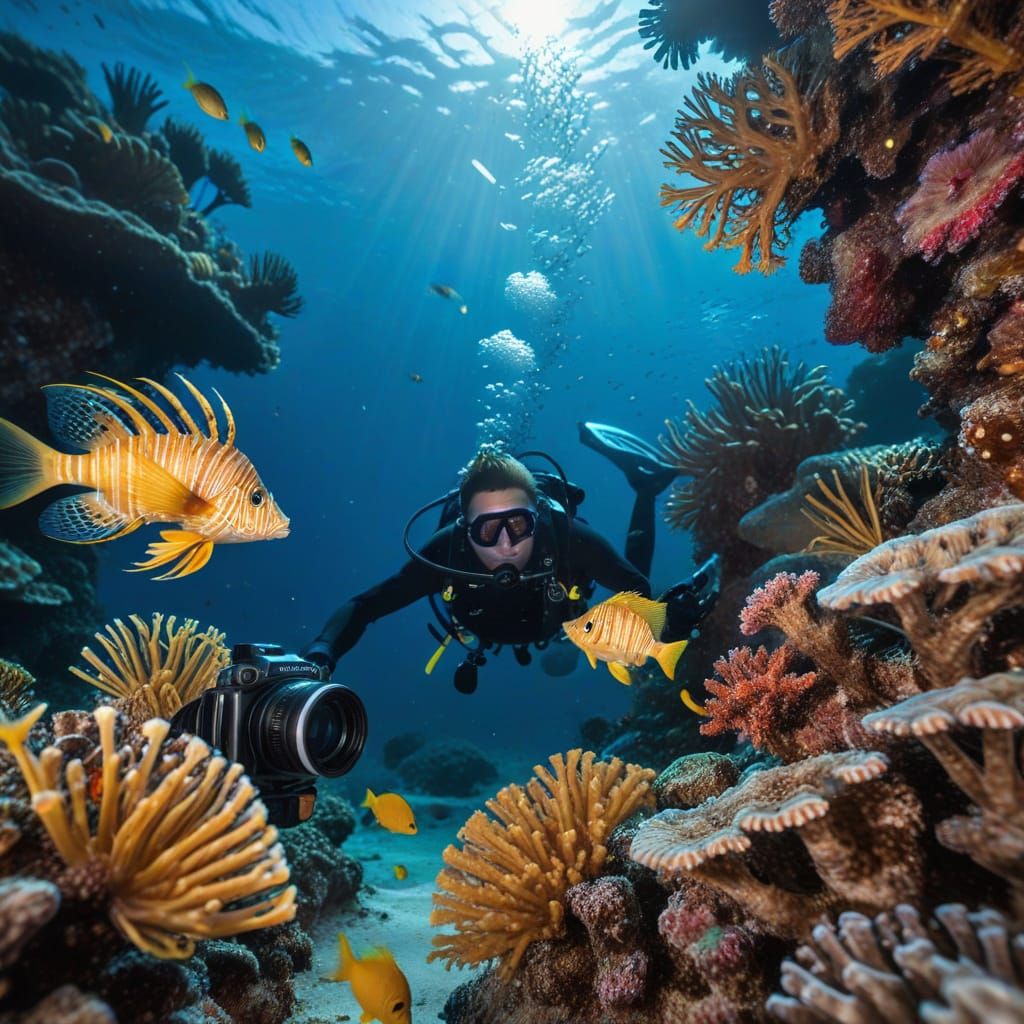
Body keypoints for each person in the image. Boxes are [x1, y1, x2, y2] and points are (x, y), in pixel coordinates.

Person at [302, 423, 720, 693]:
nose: (506, 544)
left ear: (537, 517)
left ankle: (645, 488)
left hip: (559, 619)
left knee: (634, 589)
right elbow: (365, 606)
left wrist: (668, 622)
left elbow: (637, 587)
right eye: (487, 529)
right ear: (466, 529)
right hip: (499, 626)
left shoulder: (566, 538)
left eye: (518, 524)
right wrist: (321, 654)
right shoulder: (447, 552)